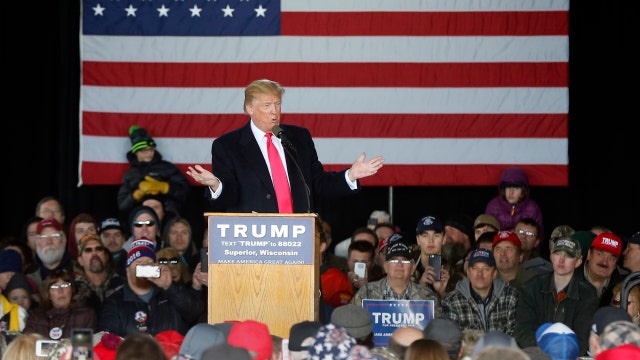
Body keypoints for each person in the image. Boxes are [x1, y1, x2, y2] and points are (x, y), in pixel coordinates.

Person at [186, 79, 384, 214]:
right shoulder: (228, 146)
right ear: (249, 108)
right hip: (253, 242)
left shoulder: (298, 137)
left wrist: (350, 175)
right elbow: (228, 198)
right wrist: (215, 185)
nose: (274, 111)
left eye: (277, 104)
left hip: (298, 236)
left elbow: (316, 183)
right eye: (266, 106)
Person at [99, 238, 204, 337]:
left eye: (149, 263)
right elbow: (106, 341)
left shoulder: (170, 293)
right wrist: (135, 344)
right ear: (128, 269)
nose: (145, 266)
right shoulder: (115, 303)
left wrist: (169, 286)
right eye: (139, 263)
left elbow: (194, 313)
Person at [515, 235, 598, 355]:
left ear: (578, 261)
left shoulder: (587, 293)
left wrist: (558, 351)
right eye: (558, 253)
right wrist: (548, 351)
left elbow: (583, 337)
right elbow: (523, 331)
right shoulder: (531, 287)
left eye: (568, 255)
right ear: (551, 256)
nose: (561, 260)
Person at [351, 233, 442, 318]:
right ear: (385, 266)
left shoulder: (427, 297)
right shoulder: (366, 293)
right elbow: (351, 322)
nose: (399, 264)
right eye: (394, 260)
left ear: (413, 268)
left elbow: (436, 330)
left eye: (405, 260)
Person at [442, 248, 519, 336]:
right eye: (475, 268)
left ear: (494, 274)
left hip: (502, 349)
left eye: (486, 269)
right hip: (469, 350)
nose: (480, 274)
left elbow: (515, 334)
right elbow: (453, 339)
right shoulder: (452, 301)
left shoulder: (510, 296)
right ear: (468, 273)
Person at [117, 125, 191, 217]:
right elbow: (122, 205)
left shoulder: (167, 168)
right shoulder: (130, 174)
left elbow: (185, 192)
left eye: (151, 149)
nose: (149, 153)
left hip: (168, 216)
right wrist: (137, 194)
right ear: (136, 152)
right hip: (141, 218)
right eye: (144, 151)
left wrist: (164, 187)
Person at [23, 269, 97, 339]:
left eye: (64, 285)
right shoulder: (35, 316)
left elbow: (83, 350)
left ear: (72, 290)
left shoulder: (85, 315)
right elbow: (26, 346)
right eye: (55, 286)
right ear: (48, 294)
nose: (60, 291)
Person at [485, 167, 545, 239]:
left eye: (516, 188)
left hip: (524, 248)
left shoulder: (532, 208)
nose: (511, 192)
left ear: (523, 190)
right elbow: (486, 235)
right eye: (508, 187)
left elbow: (538, 237)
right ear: (503, 189)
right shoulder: (493, 206)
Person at [74, 233, 125, 315]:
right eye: (88, 250)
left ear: (106, 256)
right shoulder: (73, 290)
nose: (94, 253)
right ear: (80, 260)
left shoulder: (122, 285)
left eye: (99, 249)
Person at [574, 232, 624, 306]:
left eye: (611, 258)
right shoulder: (568, 279)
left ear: (616, 264)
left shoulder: (623, 289)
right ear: (589, 254)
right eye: (600, 254)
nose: (604, 262)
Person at [114, 205, 162, 276]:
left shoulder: (168, 251)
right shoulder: (120, 259)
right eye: (138, 224)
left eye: (150, 224)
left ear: (157, 227)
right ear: (132, 229)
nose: (144, 230)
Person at [26, 218, 75, 288]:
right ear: (37, 242)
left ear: (64, 240)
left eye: (55, 236)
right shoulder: (28, 276)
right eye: (44, 237)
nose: (49, 242)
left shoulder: (77, 272)